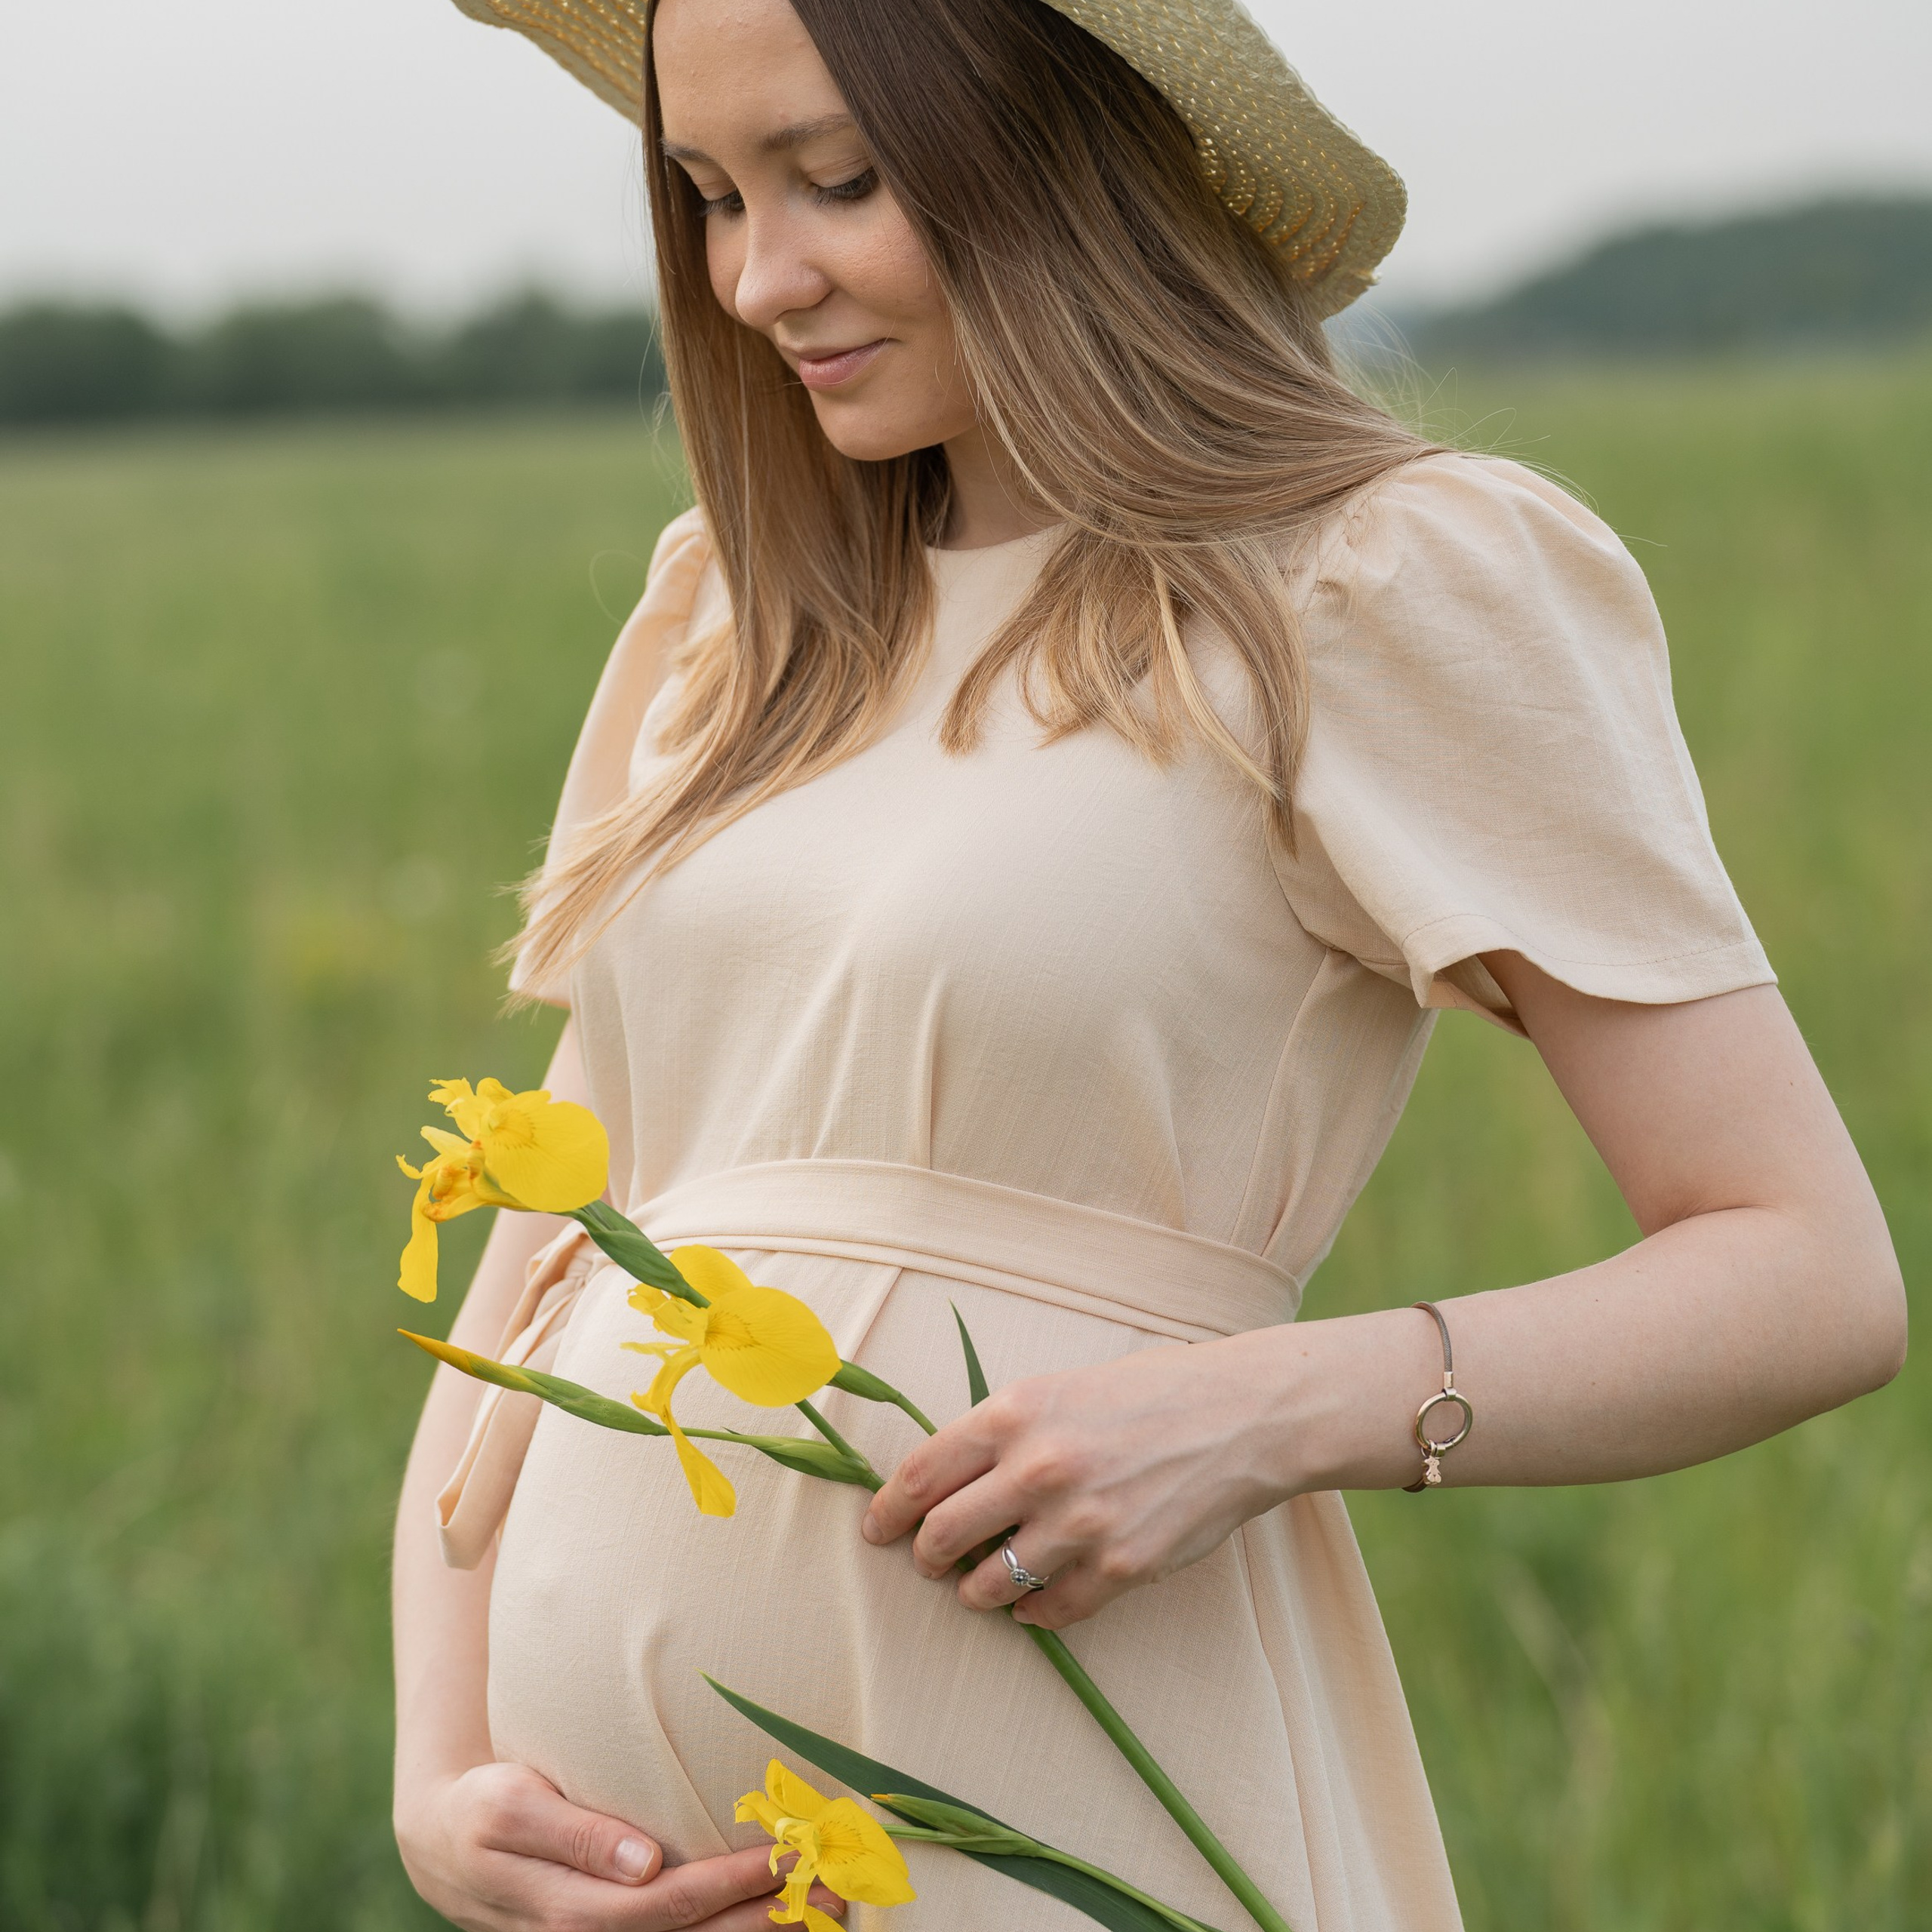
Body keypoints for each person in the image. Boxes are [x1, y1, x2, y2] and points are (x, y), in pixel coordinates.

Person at [393, 1, 1907, 1926]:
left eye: (836, 179)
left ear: (1056, 153)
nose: (759, 276)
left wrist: (1267, 1410)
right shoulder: (735, 612)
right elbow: (554, 1248)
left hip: (1068, 1778)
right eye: (706, 196)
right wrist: (438, 1757)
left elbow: (1805, 1272)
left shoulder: (1361, 584)